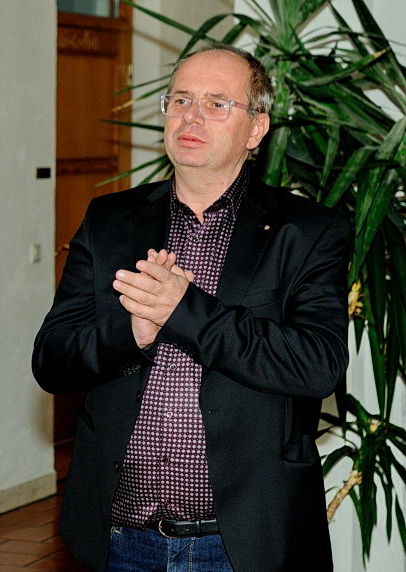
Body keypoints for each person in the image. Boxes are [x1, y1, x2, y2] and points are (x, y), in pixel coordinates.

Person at [32, 44, 349, 571]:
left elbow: (318, 365)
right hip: (120, 539)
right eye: (180, 100)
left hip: (245, 542)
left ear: (256, 129)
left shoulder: (307, 231)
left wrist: (185, 311)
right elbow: (51, 360)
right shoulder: (110, 220)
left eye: (217, 103)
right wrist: (132, 332)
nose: (192, 116)